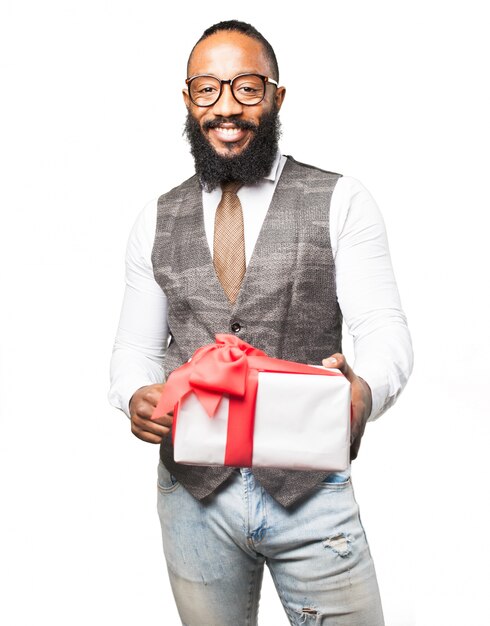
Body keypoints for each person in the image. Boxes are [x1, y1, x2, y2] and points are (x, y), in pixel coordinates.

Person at [109, 19, 413, 626]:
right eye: (207, 89)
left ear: (276, 96)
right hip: (191, 496)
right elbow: (134, 353)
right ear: (188, 98)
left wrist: (361, 393)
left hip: (310, 490)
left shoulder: (342, 199)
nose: (226, 107)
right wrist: (134, 397)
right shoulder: (155, 218)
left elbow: (385, 332)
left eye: (247, 88)